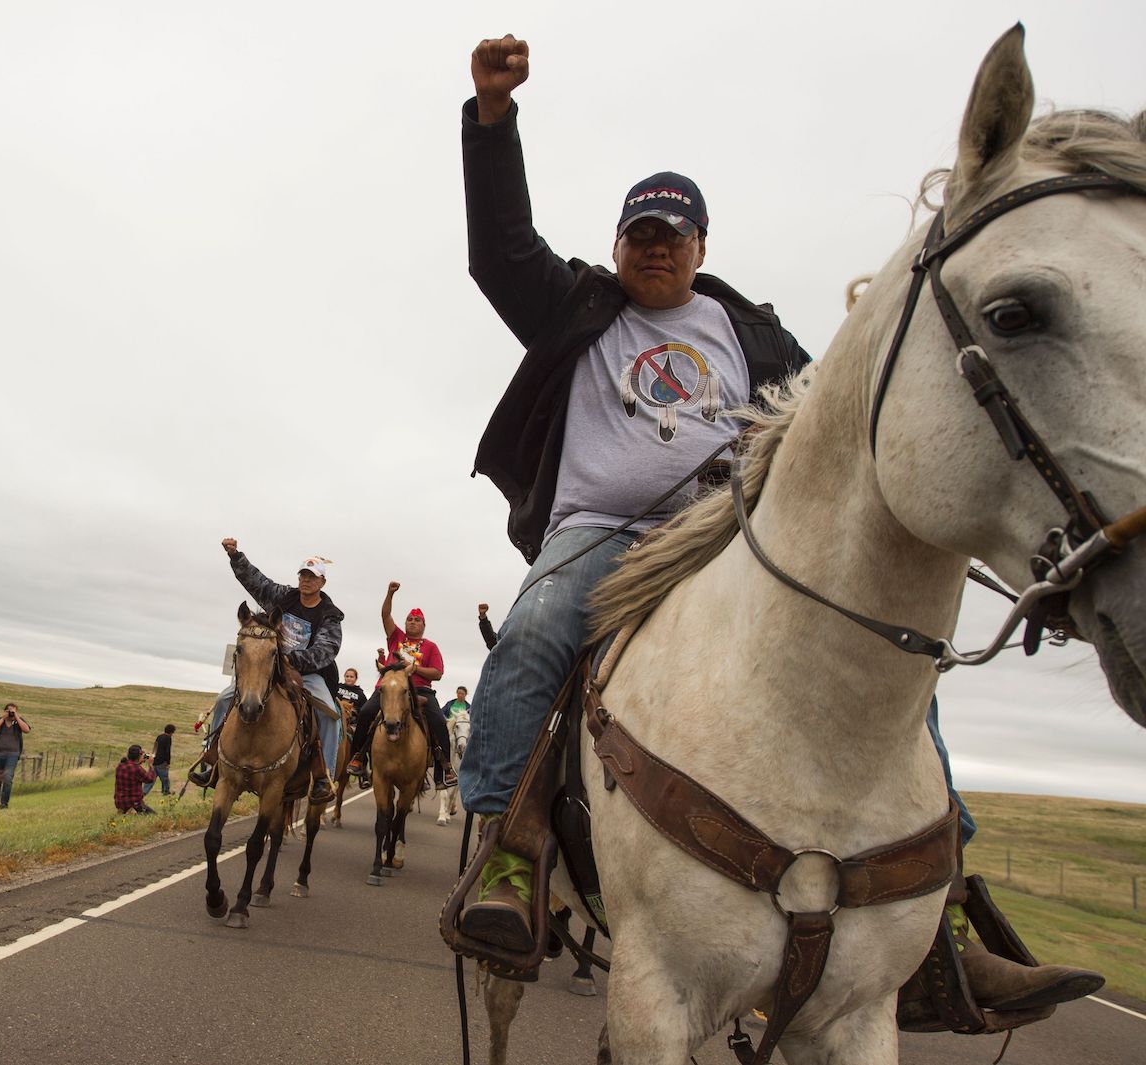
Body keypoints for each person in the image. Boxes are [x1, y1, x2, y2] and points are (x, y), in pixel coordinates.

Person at [453, 33, 1101, 1011]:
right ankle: (507, 853)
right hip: (606, 531)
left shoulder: (748, 331)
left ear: (702, 247)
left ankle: (941, 927)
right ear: (618, 243)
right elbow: (500, 249)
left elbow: (830, 420)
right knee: (541, 627)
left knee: (895, 659)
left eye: (673, 235)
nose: (654, 248)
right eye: (639, 234)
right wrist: (493, 120)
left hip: (731, 535)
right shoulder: (575, 306)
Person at [188, 542, 344, 804]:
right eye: (303, 576)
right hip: (269, 667)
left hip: (307, 673)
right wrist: (235, 556)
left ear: (322, 582)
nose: (306, 581)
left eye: (312, 577)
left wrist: (292, 658)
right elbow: (256, 581)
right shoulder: (284, 596)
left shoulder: (330, 615)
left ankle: (322, 776)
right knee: (224, 699)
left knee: (330, 714)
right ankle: (211, 760)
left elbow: (326, 651)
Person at [344, 584, 456, 788]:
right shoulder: (396, 637)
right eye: (410, 619)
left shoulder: (430, 646)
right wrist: (389, 594)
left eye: (417, 620)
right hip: (388, 688)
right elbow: (385, 614)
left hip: (420, 690)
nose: (413, 622)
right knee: (366, 712)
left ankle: (444, 770)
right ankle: (358, 759)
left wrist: (413, 668)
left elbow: (437, 673)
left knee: (439, 722)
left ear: (423, 624)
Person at [0, 704, 29, 810]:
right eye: (8, 710)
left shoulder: (19, 721)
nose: (10, 712)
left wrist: (17, 717)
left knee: (7, 778)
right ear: (4, 711)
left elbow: (26, 730)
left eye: (12, 711)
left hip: (12, 755)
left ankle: (4, 804)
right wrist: (3, 719)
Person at [114, 745, 157, 815]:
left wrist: (139, 761)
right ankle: (131, 811)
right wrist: (150, 765)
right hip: (134, 803)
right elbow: (150, 779)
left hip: (119, 802)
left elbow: (132, 767)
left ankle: (124, 811)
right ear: (138, 756)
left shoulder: (121, 765)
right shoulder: (136, 768)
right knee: (154, 815)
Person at [150, 724, 176, 797]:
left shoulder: (159, 736)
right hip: (162, 762)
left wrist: (152, 757)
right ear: (171, 732)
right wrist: (168, 762)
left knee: (151, 778)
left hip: (155, 760)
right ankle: (166, 791)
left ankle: (144, 791)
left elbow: (155, 747)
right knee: (165, 778)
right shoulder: (168, 738)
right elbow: (167, 751)